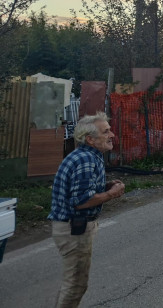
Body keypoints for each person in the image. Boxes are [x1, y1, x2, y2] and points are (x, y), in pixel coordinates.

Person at [47, 112, 125, 308]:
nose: (112, 135)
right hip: (74, 229)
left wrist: (105, 186)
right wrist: (112, 193)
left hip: (74, 227)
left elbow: (80, 190)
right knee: (75, 285)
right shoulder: (86, 160)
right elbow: (81, 201)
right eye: (106, 131)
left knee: (74, 284)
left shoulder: (89, 156)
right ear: (90, 139)